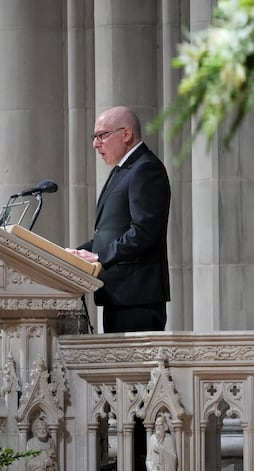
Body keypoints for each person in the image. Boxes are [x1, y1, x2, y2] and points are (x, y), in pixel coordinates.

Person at [66, 106, 171, 333]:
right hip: (119, 296)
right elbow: (110, 234)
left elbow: (144, 231)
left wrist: (99, 256)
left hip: (138, 299)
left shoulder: (146, 169)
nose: (95, 144)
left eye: (102, 135)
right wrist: (71, 255)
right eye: (94, 137)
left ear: (126, 134)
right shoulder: (123, 171)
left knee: (132, 369)